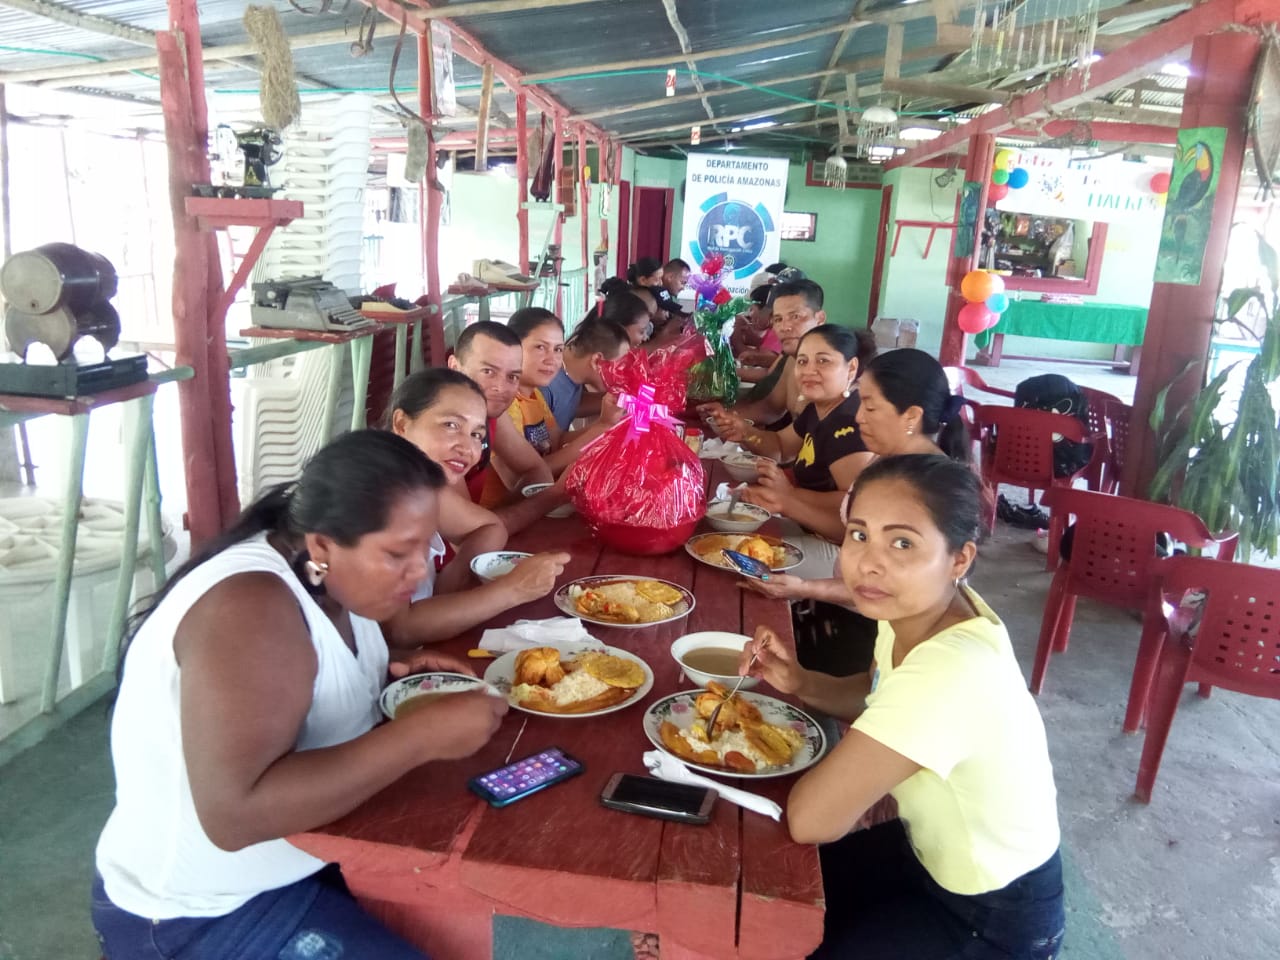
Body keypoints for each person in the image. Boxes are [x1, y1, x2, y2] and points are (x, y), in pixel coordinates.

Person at [93, 431, 509, 959]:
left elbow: (302, 681)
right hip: (199, 913)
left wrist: (391, 676)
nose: (419, 570)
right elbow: (234, 816)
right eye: (397, 553)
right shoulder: (250, 608)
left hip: (307, 859)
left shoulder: (332, 579)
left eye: (422, 547)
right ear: (323, 545)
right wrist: (420, 736)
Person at [739, 454, 1065, 959]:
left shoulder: (950, 669)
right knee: (758, 892)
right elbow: (875, 695)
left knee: (781, 917)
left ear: (959, 559)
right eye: (859, 534)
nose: (869, 562)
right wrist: (801, 681)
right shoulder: (919, 612)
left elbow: (812, 819)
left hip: (990, 915)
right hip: (924, 853)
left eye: (903, 543)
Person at [741, 348, 976, 673]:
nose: (858, 417)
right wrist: (788, 503)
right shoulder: (888, 462)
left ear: (911, 416)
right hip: (854, 607)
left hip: (869, 627)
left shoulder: (919, 487)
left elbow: (883, 582)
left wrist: (803, 587)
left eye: (870, 406)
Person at [384, 368, 569, 644]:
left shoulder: (422, 486)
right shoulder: (380, 497)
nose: (468, 448)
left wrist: (448, 593)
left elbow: (490, 526)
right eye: (451, 425)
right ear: (401, 424)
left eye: (476, 435)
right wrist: (513, 589)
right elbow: (399, 629)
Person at [710, 326, 874, 576]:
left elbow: (852, 507)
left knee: (734, 561)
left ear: (851, 368)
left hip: (844, 552)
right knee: (722, 536)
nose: (809, 370)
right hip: (806, 526)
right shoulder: (819, 409)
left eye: (823, 361)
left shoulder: (849, 423)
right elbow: (780, 447)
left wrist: (789, 498)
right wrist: (745, 432)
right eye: (802, 361)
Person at [447, 320, 555, 514]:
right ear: (455, 368)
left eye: (512, 377)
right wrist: (554, 497)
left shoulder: (489, 412)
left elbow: (537, 471)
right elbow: (466, 530)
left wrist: (498, 517)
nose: (501, 388)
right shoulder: (440, 430)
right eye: (488, 372)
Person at [699, 278, 829, 430]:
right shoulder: (791, 360)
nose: (784, 327)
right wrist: (723, 416)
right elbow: (769, 408)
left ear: (820, 319)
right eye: (778, 319)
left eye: (795, 317)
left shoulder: (834, 369)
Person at [542, 318, 631, 431]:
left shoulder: (572, 373)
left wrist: (625, 400)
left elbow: (572, 404)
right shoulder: (547, 383)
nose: (622, 376)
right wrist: (604, 424)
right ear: (597, 361)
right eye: (620, 367)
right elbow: (555, 441)